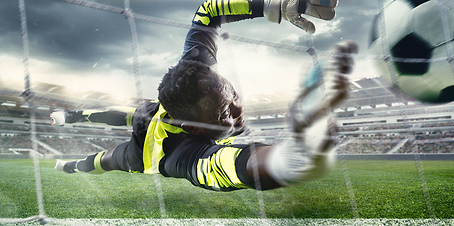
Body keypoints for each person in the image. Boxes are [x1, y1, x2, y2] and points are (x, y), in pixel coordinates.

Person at [51, 0, 357, 191]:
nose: (239, 110)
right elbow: (227, 166)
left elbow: (208, 10)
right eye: (225, 113)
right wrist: (293, 159)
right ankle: (71, 161)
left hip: (158, 111)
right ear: (195, 129)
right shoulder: (180, 158)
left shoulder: (198, 73)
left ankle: (71, 117)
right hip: (143, 153)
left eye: (233, 97)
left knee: (138, 112)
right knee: (105, 159)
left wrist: (270, 4)